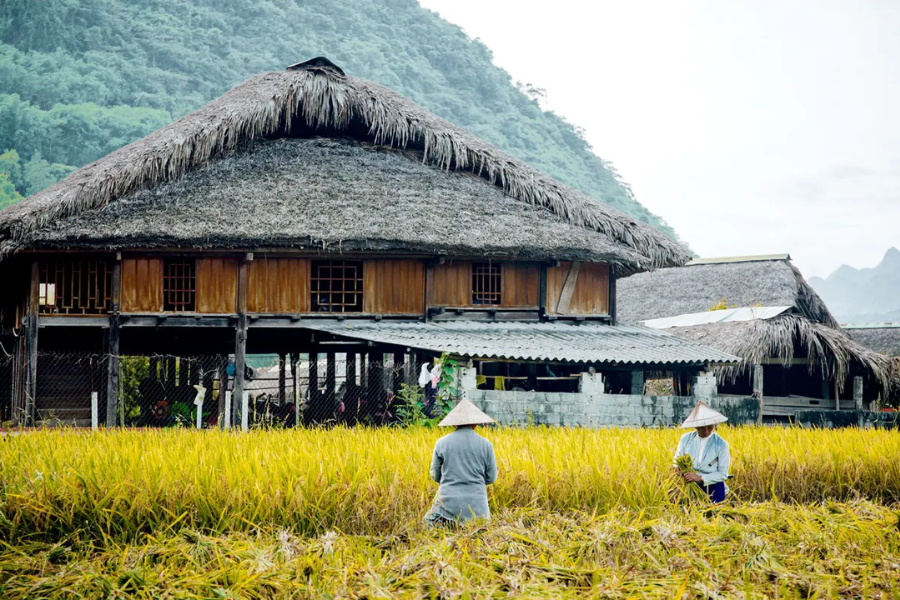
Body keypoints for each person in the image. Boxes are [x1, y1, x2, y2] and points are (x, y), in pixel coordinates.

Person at [424, 399, 498, 527]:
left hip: (447, 507)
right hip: (479, 511)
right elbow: (491, 478)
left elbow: (435, 475)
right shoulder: (487, 445)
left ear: (454, 424)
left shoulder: (441, 443)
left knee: (427, 523)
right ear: (475, 424)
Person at [673, 401, 731, 503]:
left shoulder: (721, 444)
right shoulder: (686, 439)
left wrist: (699, 478)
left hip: (714, 487)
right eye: (702, 428)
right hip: (690, 485)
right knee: (689, 513)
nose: (707, 431)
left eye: (710, 427)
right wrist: (679, 469)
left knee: (713, 515)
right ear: (695, 426)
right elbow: (676, 460)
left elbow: (723, 474)